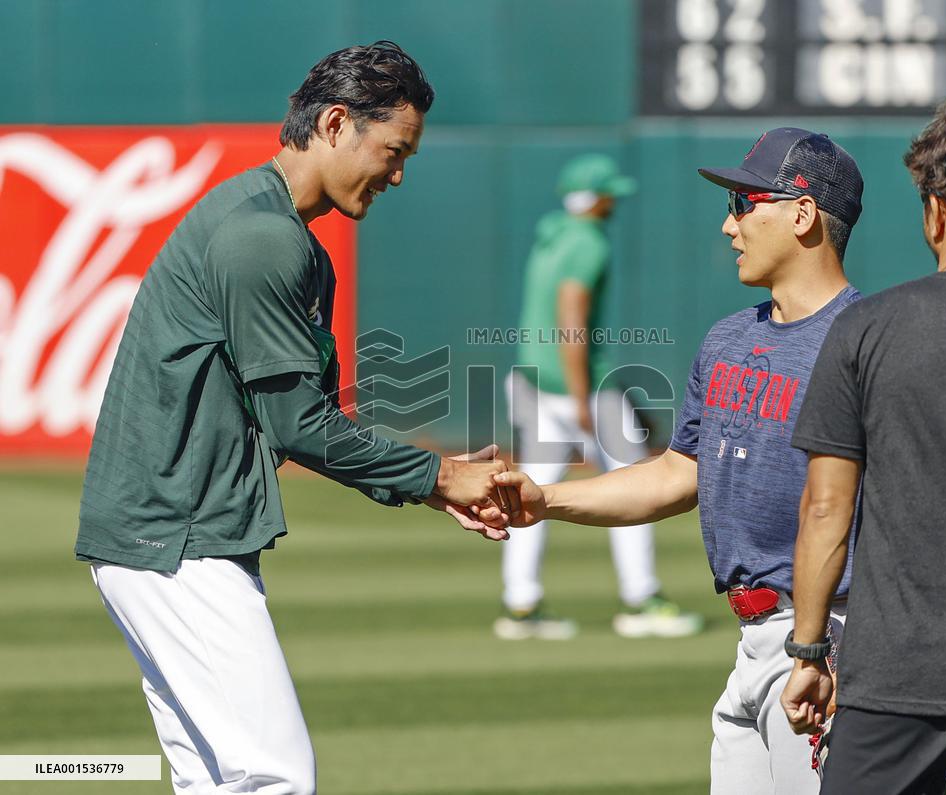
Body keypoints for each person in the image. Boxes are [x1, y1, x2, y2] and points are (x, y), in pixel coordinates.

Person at [75, 41, 515, 794]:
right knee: (274, 777)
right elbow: (298, 425)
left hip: (166, 537)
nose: (399, 173)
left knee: (216, 780)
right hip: (175, 540)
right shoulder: (263, 237)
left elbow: (300, 419)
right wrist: (439, 474)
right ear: (337, 123)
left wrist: (432, 483)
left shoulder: (281, 232)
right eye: (394, 149)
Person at [489, 128, 865, 792]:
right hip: (753, 646)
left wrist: (824, 649)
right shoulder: (727, 339)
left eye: (745, 202)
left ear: (802, 213)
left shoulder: (867, 344)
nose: (729, 224)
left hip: (828, 643)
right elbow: (676, 472)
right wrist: (544, 500)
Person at [780, 93, 946, 794]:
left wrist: (810, 648)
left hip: (898, 676)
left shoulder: (867, 328)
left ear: (935, 211)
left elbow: (825, 509)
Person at [495, 153, 703, 640]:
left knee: (532, 492)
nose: (614, 200)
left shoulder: (551, 234)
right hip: (574, 385)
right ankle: (642, 599)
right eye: (607, 192)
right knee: (638, 484)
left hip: (531, 378)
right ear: (592, 199)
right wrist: (583, 397)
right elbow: (571, 317)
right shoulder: (588, 242)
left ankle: (520, 605)